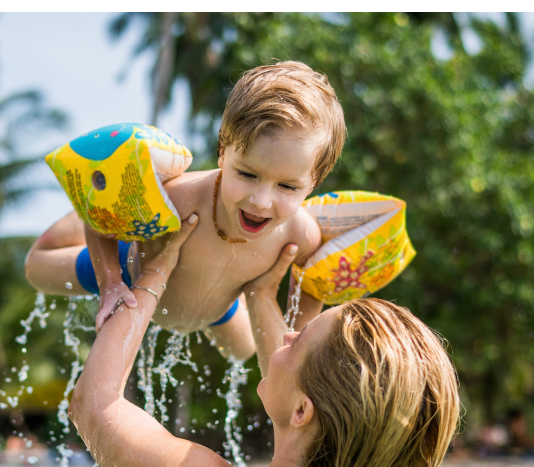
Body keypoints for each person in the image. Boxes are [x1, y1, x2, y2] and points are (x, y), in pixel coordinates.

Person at [68, 215, 460, 467]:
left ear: (303, 410)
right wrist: (261, 296)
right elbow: (336, 400)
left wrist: (156, 271)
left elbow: (94, 404)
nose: (288, 335)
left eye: (299, 339)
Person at [26, 61, 345, 358]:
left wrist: (299, 337)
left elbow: (310, 284)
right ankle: (86, 210)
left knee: (243, 351)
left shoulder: (302, 235)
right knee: (37, 270)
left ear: (313, 181)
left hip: (217, 309)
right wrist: (110, 281)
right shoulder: (179, 199)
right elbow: (102, 221)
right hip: (130, 267)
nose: (261, 201)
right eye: (247, 175)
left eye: (287, 187)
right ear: (223, 151)